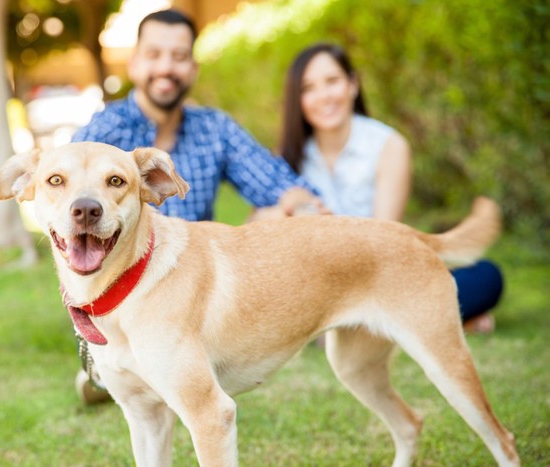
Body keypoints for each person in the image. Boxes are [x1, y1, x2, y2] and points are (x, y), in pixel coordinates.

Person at [69, 9, 328, 403]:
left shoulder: (214, 128)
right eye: (155, 54)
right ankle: (111, 363)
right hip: (124, 291)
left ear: (193, 67)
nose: (166, 68)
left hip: (193, 292)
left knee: (275, 213)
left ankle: (183, 361)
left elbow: (276, 185)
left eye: (179, 56)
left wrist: (304, 209)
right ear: (136, 62)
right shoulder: (103, 133)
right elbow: (72, 216)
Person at [276, 42, 503, 332]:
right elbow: (263, 229)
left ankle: (369, 327)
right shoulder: (288, 157)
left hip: (376, 276)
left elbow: (383, 244)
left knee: (486, 277)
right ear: (298, 99)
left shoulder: (388, 146)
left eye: (332, 82)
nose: (324, 97)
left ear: (353, 84)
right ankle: (421, 324)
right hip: (312, 285)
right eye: (308, 88)